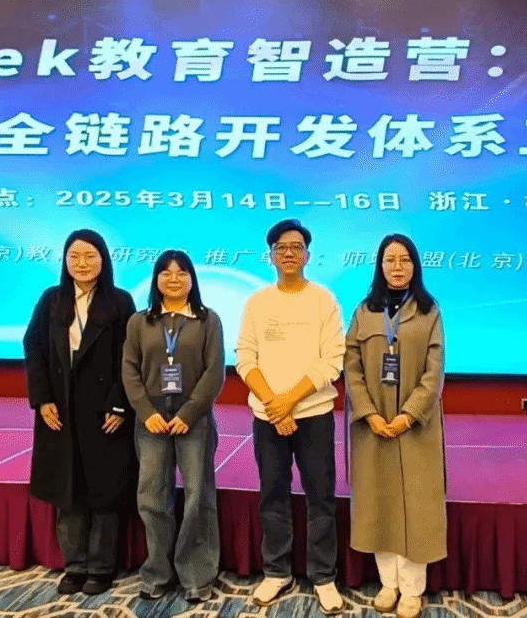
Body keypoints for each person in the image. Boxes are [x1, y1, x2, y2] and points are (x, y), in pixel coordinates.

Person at [235, 219, 346, 615]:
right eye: (281, 247)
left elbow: (332, 361)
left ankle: (323, 576)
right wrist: (273, 404)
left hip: (314, 414)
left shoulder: (324, 300)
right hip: (268, 415)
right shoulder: (257, 302)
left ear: (307, 255)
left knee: (321, 496)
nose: (288, 253)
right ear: (270, 255)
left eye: (296, 247)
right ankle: (276, 571)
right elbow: (245, 357)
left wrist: (290, 402)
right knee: (273, 494)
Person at [23, 229, 137, 596]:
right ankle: (75, 565)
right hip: (61, 409)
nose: (82, 263)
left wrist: (120, 404)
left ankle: (101, 567)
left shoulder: (120, 301)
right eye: (75, 256)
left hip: (105, 411)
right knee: (67, 491)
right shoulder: (52, 299)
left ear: (104, 259)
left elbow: (129, 356)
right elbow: (34, 347)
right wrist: (42, 400)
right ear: (65, 261)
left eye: (90, 256)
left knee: (105, 491)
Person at [343, 233, 446, 618]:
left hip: (416, 426)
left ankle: (413, 589)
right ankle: (389, 584)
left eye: (405, 260)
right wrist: (369, 413)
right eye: (390, 260)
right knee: (379, 503)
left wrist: (409, 414)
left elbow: (434, 371)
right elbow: (351, 365)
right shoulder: (364, 311)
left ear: (415, 265)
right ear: (380, 265)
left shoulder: (429, 311)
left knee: (417, 505)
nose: (398, 267)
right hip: (373, 425)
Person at [122, 250, 225, 604]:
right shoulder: (140, 322)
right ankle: (157, 572)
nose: (174, 279)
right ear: (156, 280)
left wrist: (190, 413)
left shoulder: (207, 320)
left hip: (194, 421)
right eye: (166, 273)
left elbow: (215, 371)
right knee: (152, 498)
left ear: (192, 279)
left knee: (198, 496)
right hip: (150, 419)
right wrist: (145, 411)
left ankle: (197, 574)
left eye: (182, 272)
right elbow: (129, 369)